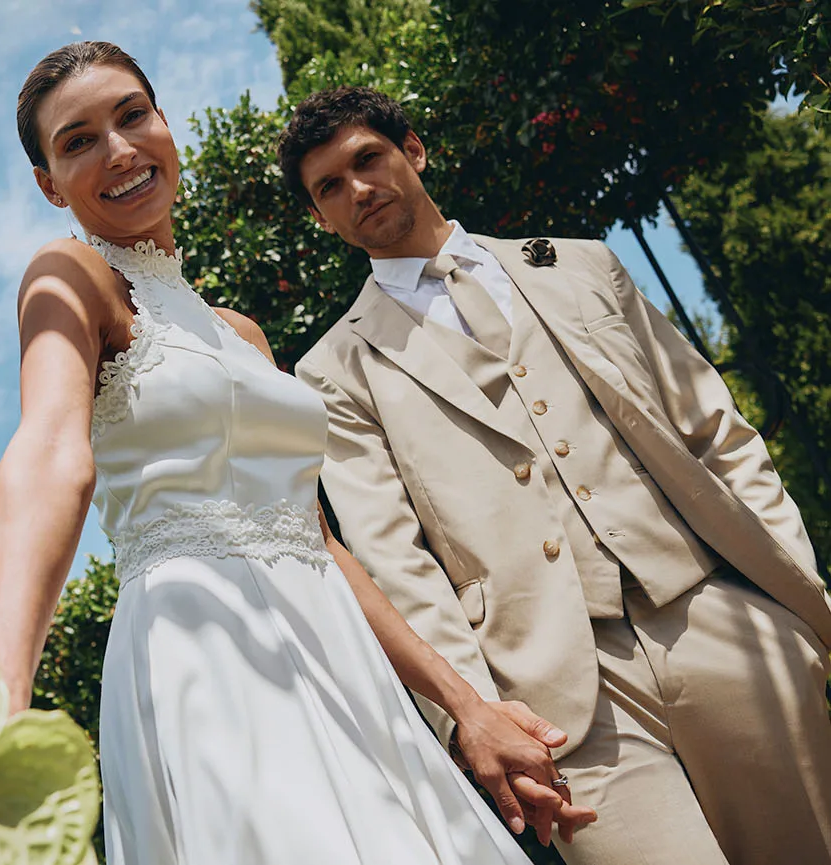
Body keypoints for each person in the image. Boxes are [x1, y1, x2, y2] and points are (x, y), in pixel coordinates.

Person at [0, 43, 591, 864]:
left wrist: (465, 704)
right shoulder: (72, 274)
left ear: (166, 127)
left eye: (132, 115)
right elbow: (51, 449)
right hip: (204, 645)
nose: (119, 149)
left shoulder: (242, 332)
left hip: (340, 653)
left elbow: (319, 541)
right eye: (78, 140)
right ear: (50, 185)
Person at [285, 85, 831, 865]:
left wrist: (792, 596)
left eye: (366, 160)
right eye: (328, 188)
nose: (357, 190)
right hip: (551, 702)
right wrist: (472, 713)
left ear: (413, 150)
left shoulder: (582, 265)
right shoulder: (335, 370)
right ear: (320, 217)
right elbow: (396, 563)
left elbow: (714, 426)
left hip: (719, 620)